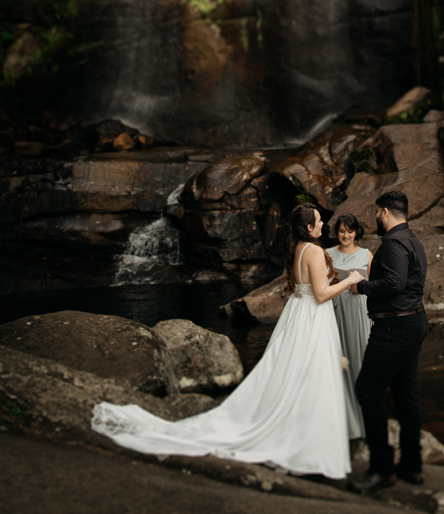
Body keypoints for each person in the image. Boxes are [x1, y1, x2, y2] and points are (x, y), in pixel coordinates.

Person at [91, 204, 364, 479]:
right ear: (308, 227)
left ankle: (301, 428)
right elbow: (320, 294)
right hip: (312, 317)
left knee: (296, 373)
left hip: (299, 314)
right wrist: (350, 278)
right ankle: (306, 438)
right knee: (312, 374)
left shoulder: (300, 249)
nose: (322, 224)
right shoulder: (315, 250)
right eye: (318, 221)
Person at [347, 190, 428, 492]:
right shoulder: (413, 240)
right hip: (414, 320)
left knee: (367, 390)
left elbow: (393, 283)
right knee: (406, 392)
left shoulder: (393, 243)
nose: (375, 218)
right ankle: (412, 465)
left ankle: (382, 469)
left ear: (383, 212)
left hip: (395, 326)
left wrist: (362, 287)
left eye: (375, 213)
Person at [327, 213, 373, 439]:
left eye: (350, 231)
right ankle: (339, 419)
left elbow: (374, 285)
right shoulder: (327, 254)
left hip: (359, 311)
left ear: (357, 232)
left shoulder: (366, 254)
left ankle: (364, 420)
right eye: (342, 231)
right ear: (337, 232)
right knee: (337, 361)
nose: (345, 235)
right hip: (335, 310)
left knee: (361, 359)